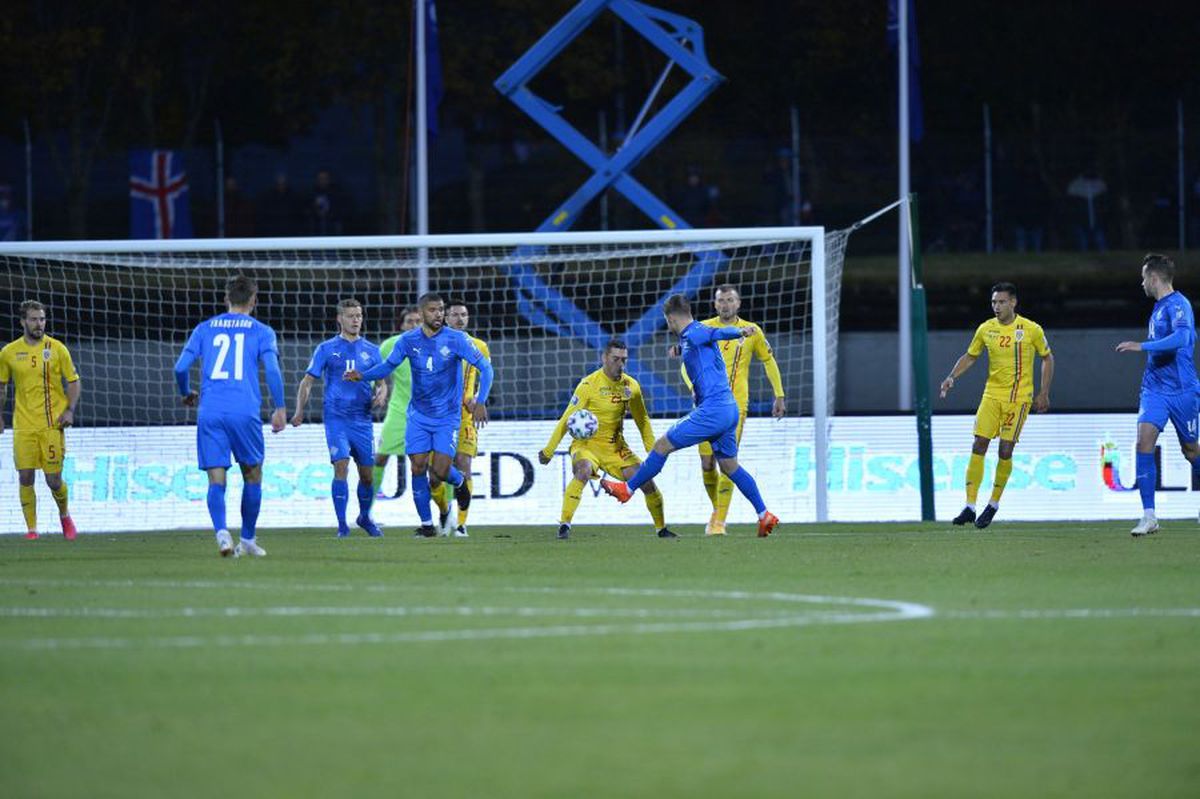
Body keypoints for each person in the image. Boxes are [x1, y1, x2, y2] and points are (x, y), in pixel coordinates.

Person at [600, 294, 779, 537]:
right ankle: (763, 514)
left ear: (672, 318)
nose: (668, 326)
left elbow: (717, 332)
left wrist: (740, 332)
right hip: (728, 409)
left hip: (713, 410)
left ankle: (627, 489)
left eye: (668, 321)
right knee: (728, 466)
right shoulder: (689, 339)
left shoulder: (696, 332)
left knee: (662, 445)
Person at [345, 293, 492, 538]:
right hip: (418, 416)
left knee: (441, 471)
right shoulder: (407, 341)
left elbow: (485, 368)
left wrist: (481, 401)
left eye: (441, 310)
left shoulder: (457, 340)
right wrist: (363, 375)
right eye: (434, 310)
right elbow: (387, 366)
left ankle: (459, 482)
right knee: (417, 467)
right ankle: (427, 525)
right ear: (423, 313)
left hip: (447, 417)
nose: (439, 314)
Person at [174, 275, 287, 557]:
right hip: (244, 411)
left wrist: (187, 391)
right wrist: (281, 407)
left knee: (216, 479)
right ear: (254, 300)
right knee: (253, 474)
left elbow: (180, 368)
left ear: (226, 299)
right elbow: (272, 371)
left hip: (210, 411)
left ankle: (222, 533)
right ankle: (247, 539)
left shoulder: (204, 329)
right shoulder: (262, 331)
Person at [939, 282, 1053, 529]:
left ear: (1013, 302)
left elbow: (1047, 357)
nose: (996, 307)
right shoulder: (985, 329)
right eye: (993, 302)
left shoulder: (1031, 329)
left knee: (1005, 450)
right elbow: (971, 356)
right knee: (979, 443)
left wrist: (1044, 392)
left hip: (1019, 398)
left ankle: (993, 504)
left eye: (1001, 302)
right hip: (991, 396)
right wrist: (951, 377)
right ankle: (970, 506)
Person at [539, 339, 672, 541]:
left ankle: (661, 530)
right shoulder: (588, 385)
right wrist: (549, 450)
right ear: (604, 358)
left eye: (624, 360)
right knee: (582, 471)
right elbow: (567, 419)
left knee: (646, 482)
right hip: (586, 445)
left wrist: (651, 447)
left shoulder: (631, 386)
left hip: (615, 447)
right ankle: (564, 525)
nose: (620, 364)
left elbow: (642, 418)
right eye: (616, 359)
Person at [684, 285, 785, 536]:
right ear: (715, 304)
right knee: (707, 463)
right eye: (721, 301)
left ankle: (718, 521)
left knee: (726, 462)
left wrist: (779, 394)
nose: (726, 304)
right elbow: (686, 364)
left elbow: (768, 361)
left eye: (730, 300)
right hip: (706, 405)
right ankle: (716, 510)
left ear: (738, 304)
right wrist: (692, 386)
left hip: (735, 406)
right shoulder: (703, 329)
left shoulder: (752, 331)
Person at [1115, 254, 1200, 536]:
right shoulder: (1159, 307)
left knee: (1191, 451)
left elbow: (1183, 338)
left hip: (1182, 391)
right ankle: (1149, 516)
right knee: (1143, 443)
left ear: (1153, 277)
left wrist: (1143, 346)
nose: (1141, 283)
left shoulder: (1179, 304)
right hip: (1154, 389)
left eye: (1143, 278)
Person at [291, 299, 387, 537]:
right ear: (340, 319)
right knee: (341, 465)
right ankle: (342, 525)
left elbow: (382, 382)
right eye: (351, 316)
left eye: (359, 315)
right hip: (336, 419)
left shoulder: (372, 351)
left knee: (367, 475)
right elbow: (308, 380)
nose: (356, 320)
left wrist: (381, 394)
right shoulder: (326, 349)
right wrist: (299, 410)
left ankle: (364, 517)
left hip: (362, 420)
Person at [0, 301, 80, 540]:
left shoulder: (57, 349)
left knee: (53, 480)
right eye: (34, 319)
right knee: (25, 476)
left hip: (52, 424)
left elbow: (74, 382)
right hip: (23, 425)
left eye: (42, 319)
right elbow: (1, 387)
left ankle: (65, 515)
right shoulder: (8, 353)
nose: (39, 324)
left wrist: (69, 410)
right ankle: (32, 530)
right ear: (22, 321)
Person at [429, 301, 491, 537]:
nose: (459, 318)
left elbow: (485, 374)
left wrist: (478, 399)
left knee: (464, 463)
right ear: (446, 319)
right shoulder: (434, 344)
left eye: (463, 314)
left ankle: (462, 524)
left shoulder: (479, 346)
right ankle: (444, 511)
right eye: (454, 314)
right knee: (435, 474)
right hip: (439, 416)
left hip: (465, 415)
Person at [373, 305, 422, 499]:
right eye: (410, 321)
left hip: (428, 414)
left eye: (418, 321)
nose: (414, 325)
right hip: (399, 412)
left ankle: (447, 513)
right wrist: (379, 387)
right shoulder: (390, 346)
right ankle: (365, 514)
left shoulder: (436, 345)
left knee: (438, 464)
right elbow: (375, 371)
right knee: (380, 458)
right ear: (401, 325)